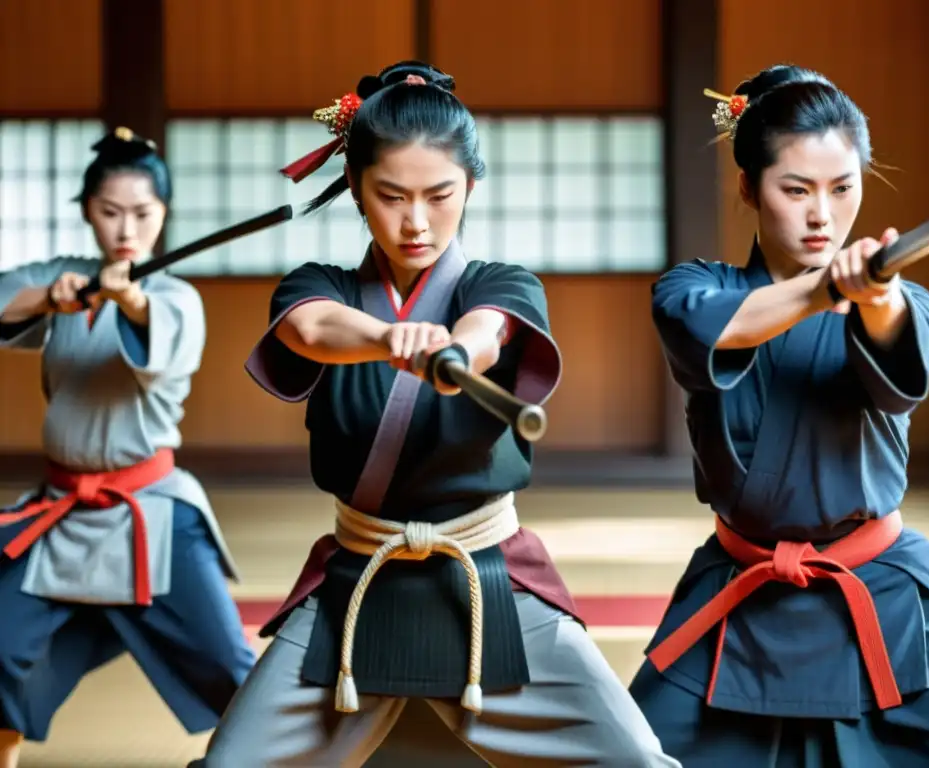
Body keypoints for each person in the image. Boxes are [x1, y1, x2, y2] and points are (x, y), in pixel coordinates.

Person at [190, 60, 681, 767]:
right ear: (357, 190)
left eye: (438, 195)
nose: (415, 221)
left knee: (635, 758)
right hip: (358, 576)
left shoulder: (501, 285)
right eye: (390, 196)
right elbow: (311, 329)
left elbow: (490, 332)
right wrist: (388, 339)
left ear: (470, 187)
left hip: (488, 571)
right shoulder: (321, 287)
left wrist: (456, 348)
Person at [628, 64, 929, 766]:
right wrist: (824, 289)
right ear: (749, 186)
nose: (823, 215)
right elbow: (717, 329)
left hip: (881, 587)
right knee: (628, 757)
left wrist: (875, 297)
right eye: (796, 189)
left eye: (843, 189)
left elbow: (899, 359)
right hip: (740, 587)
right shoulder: (692, 288)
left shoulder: (903, 301)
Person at [0, 128, 256, 768]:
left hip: (153, 515)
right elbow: (5, 301)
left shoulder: (174, 296)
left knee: (234, 672)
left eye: (143, 213)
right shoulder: (63, 280)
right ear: (88, 210)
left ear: (163, 215)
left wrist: (128, 298)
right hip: (61, 512)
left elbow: (155, 335)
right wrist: (53, 296)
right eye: (110, 212)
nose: (126, 229)